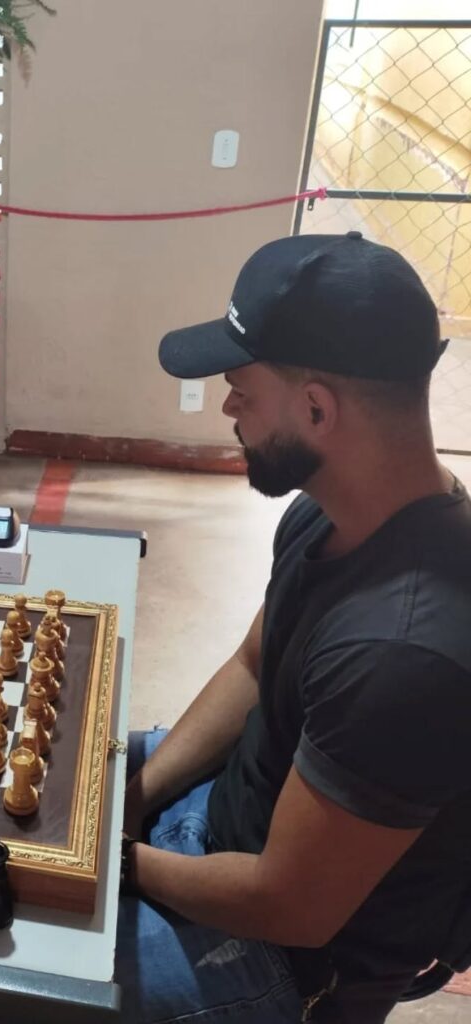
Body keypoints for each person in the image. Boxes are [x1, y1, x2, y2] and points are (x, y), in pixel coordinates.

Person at [116, 231, 471, 1023]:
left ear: (316, 408)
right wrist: (138, 794)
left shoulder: (403, 651)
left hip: (290, 959)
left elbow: (289, 906)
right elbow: (254, 663)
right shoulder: (334, 512)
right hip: (231, 818)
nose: (228, 407)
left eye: (242, 387)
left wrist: (114, 863)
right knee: (46, 772)